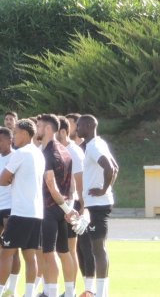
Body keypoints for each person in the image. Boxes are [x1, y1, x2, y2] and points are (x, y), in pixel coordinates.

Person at [0, 120, 44, 297]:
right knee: (30, 255)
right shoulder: (39, 154)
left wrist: (12, 179)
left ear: (27, 134)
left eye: (16, 132)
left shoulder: (20, 154)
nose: (13, 136)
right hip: (36, 212)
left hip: (20, 211)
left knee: (6, 254)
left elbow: (2, 180)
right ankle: (29, 293)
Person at [77, 115, 117, 297]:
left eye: (78, 126)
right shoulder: (98, 143)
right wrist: (107, 189)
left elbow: (110, 168)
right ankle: (101, 291)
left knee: (97, 249)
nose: (76, 129)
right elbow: (115, 167)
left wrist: (103, 190)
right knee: (97, 248)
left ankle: (101, 293)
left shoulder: (93, 146)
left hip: (97, 205)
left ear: (88, 126)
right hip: (98, 203)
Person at [37, 114, 73, 297]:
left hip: (50, 208)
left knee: (48, 252)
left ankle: (51, 292)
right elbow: (71, 183)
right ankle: (70, 292)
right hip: (60, 207)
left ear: (48, 129)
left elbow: (51, 186)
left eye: (39, 126)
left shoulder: (48, 154)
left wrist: (68, 208)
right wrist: (68, 205)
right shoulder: (65, 150)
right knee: (64, 252)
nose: (37, 129)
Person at [0, 127, 20, 297]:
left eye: (0, 140)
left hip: (11, 208)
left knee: (10, 250)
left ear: (10, 140)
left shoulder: (16, 157)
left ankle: (11, 289)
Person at [55, 118, 84, 297]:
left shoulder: (73, 151)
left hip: (72, 204)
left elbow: (79, 180)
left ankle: (70, 291)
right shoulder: (60, 150)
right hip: (63, 204)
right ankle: (67, 290)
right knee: (62, 250)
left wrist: (79, 206)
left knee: (70, 249)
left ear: (64, 132)